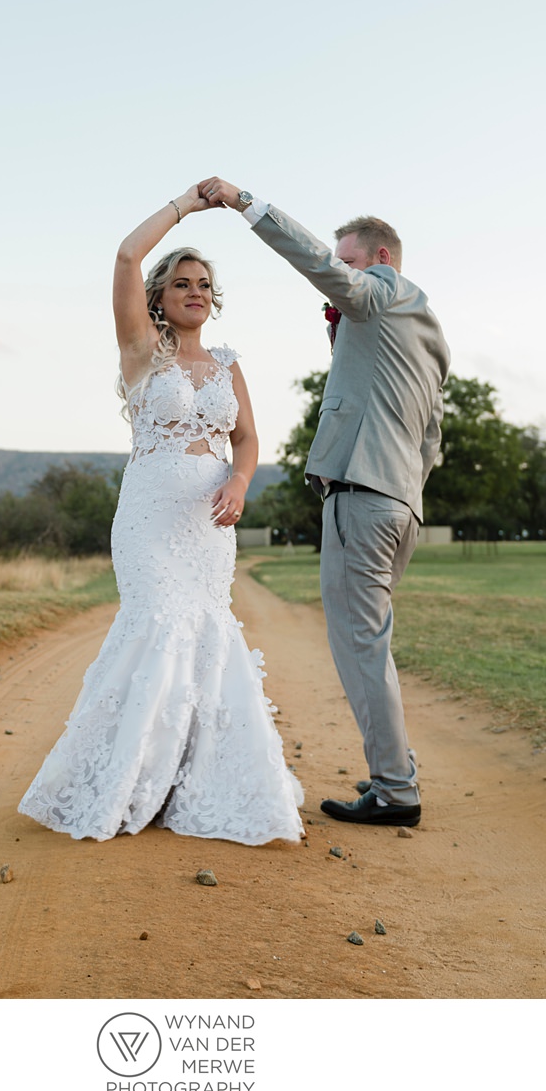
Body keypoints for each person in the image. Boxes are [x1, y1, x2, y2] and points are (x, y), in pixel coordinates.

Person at [17, 183, 305, 845]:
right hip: (150, 514)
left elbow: (250, 440)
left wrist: (239, 481)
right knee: (156, 627)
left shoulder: (230, 364)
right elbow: (124, 256)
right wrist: (186, 205)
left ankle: (187, 781)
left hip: (209, 523)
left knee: (206, 634)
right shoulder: (144, 350)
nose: (195, 291)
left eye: (204, 282)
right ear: (159, 298)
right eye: (181, 282)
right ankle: (121, 781)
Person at [196, 178, 450, 828]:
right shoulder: (423, 331)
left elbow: (317, 263)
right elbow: (431, 439)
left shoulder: (386, 292)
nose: (341, 272)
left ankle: (396, 790)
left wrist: (246, 203)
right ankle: (395, 773)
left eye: (350, 260)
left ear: (381, 260)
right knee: (373, 644)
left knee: (361, 647)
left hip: (364, 498)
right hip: (399, 504)